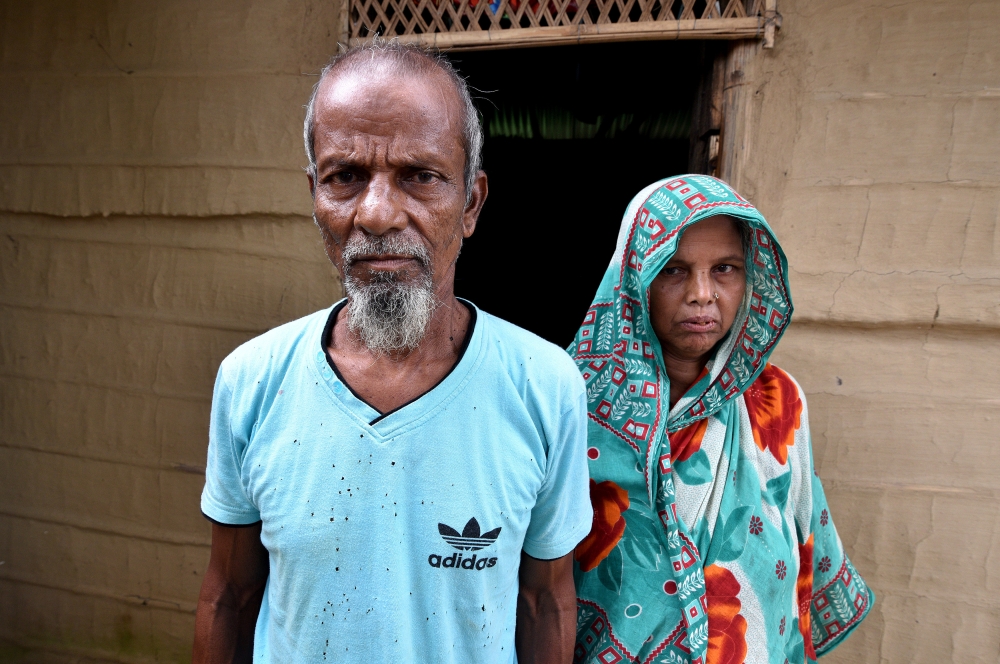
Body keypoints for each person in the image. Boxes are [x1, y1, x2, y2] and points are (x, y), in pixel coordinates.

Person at [192, 41, 592, 664]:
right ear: (315, 197)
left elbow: (545, 602)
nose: (376, 214)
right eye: (345, 177)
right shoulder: (252, 381)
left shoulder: (543, 386)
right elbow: (230, 596)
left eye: (420, 176)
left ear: (471, 204)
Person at [569, 176, 873, 664]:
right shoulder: (571, 399)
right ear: (634, 276)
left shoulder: (778, 400)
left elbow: (801, 538)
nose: (702, 294)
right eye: (673, 270)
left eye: (725, 269)